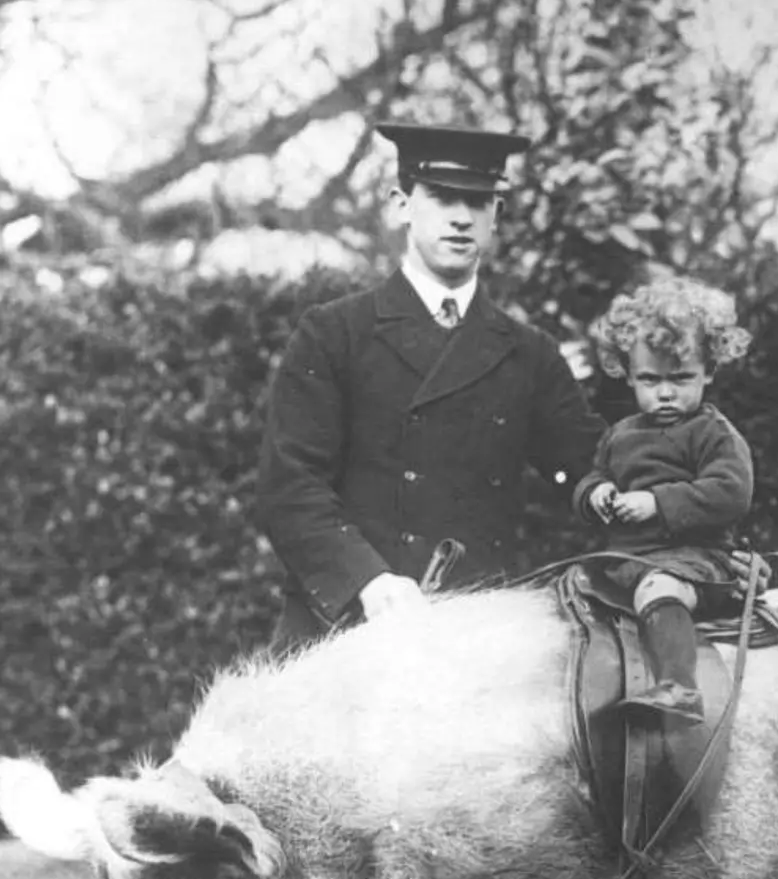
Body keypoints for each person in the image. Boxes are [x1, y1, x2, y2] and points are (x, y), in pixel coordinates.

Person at [254, 121, 603, 649]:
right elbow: (292, 486)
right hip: (346, 627)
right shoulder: (335, 333)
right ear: (401, 205)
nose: (462, 217)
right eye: (442, 197)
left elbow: (590, 468)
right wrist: (368, 582)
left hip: (472, 634)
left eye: (479, 201)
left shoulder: (529, 353)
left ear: (497, 216)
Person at [576, 276, 755, 723]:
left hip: (697, 560)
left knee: (662, 587)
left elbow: (731, 492)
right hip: (628, 557)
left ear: (709, 371)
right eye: (651, 380)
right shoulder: (621, 435)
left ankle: (680, 688)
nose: (666, 392)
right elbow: (596, 475)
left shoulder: (712, 433)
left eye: (681, 378)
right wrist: (597, 493)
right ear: (628, 374)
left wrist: (658, 502)